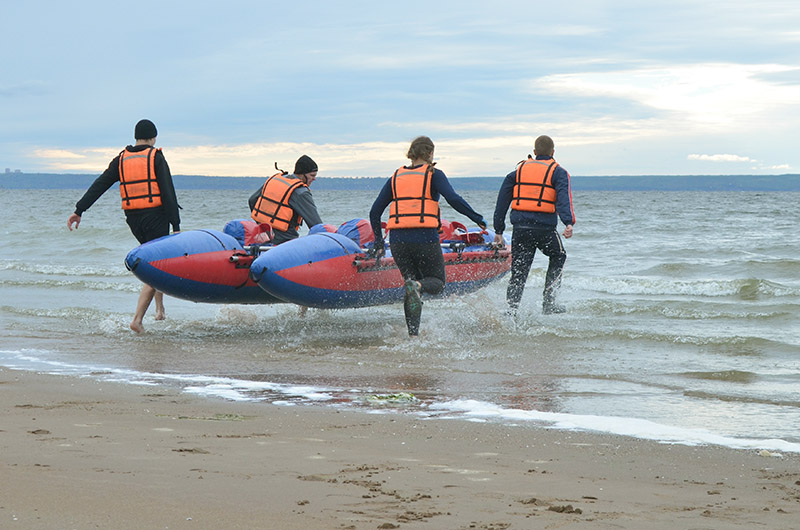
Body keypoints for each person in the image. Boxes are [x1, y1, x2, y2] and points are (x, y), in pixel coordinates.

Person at [66, 119, 181, 333]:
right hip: (155, 216)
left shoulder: (121, 159)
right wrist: (176, 226)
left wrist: (79, 210)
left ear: (136, 137)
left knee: (152, 257)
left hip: (134, 219)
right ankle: (137, 320)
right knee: (157, 266)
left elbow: (100, 185)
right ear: (153, 137)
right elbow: (167, 191)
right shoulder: (156, 156)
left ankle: (159, 309)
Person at [369, 136, 487, 336]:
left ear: (411, 154)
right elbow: (453, 199)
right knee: (437, 282)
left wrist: (379, 242)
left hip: (398, 241)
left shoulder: (396, 177)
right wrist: (477, 219)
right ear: (430, 154)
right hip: (423, 237)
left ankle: (413, 336)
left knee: (410, 287)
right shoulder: (434, 174)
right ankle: (418, 286)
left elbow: (374, 212)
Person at [493, 135, 575, 316]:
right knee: (558, 256)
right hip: (545, 230)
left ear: (535, 152)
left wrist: (498, 229)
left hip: (520, 229)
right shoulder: (558, 172)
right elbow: (563, 200)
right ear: (553, 153)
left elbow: (502, 202)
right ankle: (549, 302)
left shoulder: (517, 172)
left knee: (519, 270)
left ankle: (511, 310)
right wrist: (568, 223)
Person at [248, 155, 323, 245]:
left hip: (264, 236)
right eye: (312, 175)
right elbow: (316, 224)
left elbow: (252, 200)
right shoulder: (301, 192)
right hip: (285, 240)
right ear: (302, 174)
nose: (314, 178)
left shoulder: (274, 181)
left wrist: (264, 224)